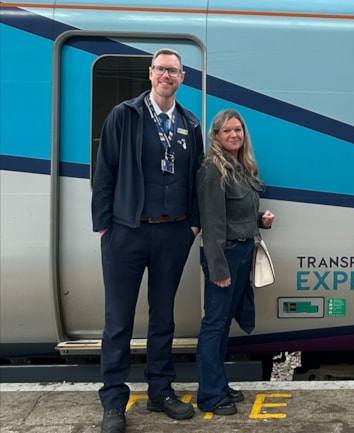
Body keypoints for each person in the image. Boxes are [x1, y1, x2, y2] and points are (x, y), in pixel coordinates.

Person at [91, 48, 204, 433]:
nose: (165, 76)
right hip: (127, 231)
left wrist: (193, 225)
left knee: (163, 317)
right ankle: (113, 401)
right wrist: (104, 225)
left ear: (182, 77)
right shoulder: (125, 115)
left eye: (173, 70)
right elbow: (104, 170)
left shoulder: (190, 123)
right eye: (160, 69)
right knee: (118, 320)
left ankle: (160, 391)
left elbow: (196, 179)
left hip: (173, 232)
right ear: (151, 73)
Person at [196, 109, 275, 415]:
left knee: (224, 322)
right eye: (226, 130)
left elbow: (236, 214)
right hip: (225, 254)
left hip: (242, 252)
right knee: (214, 324)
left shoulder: (240, 168)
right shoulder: (212, 170)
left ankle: (219, 384)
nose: (233, 135)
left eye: (238, 130)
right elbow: (212, 224)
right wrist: (217, 268)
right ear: (215, 136)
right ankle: (210, 396)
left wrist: (261, 220)